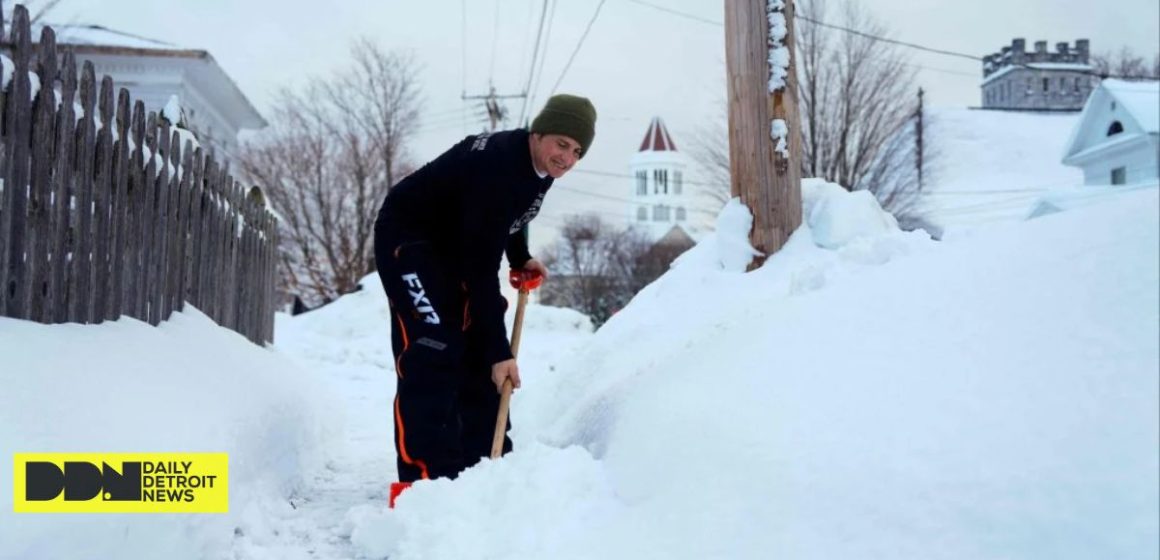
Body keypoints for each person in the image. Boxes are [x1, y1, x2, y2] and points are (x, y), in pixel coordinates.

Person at [373, 94, 597, 483]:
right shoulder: (497, 167)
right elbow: (480, 268)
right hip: (409, 239)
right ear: (538, 132)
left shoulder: (539, 168)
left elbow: (510, 216)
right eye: (562, 144)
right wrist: (499, 352)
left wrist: (520, 255)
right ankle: (423, 482)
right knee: (435, 345)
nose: (568, 158)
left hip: (457, 244)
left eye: (577, 150)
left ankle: (480, 471)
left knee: (478, 348)